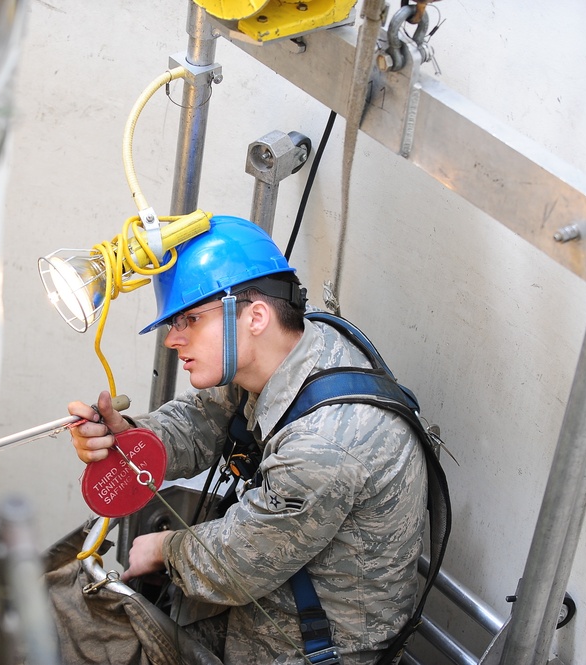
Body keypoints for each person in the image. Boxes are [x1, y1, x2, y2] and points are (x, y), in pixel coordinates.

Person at [68, 215, 428, 664]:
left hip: (302, 649)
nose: (172, 340)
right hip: (266, 604)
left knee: (75, 632)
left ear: (256, 316)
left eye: (189, 319)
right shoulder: (293, 345)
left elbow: (234, 567)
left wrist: (163, 549)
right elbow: (201, 423)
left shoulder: (325, 446)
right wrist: (128, 439)